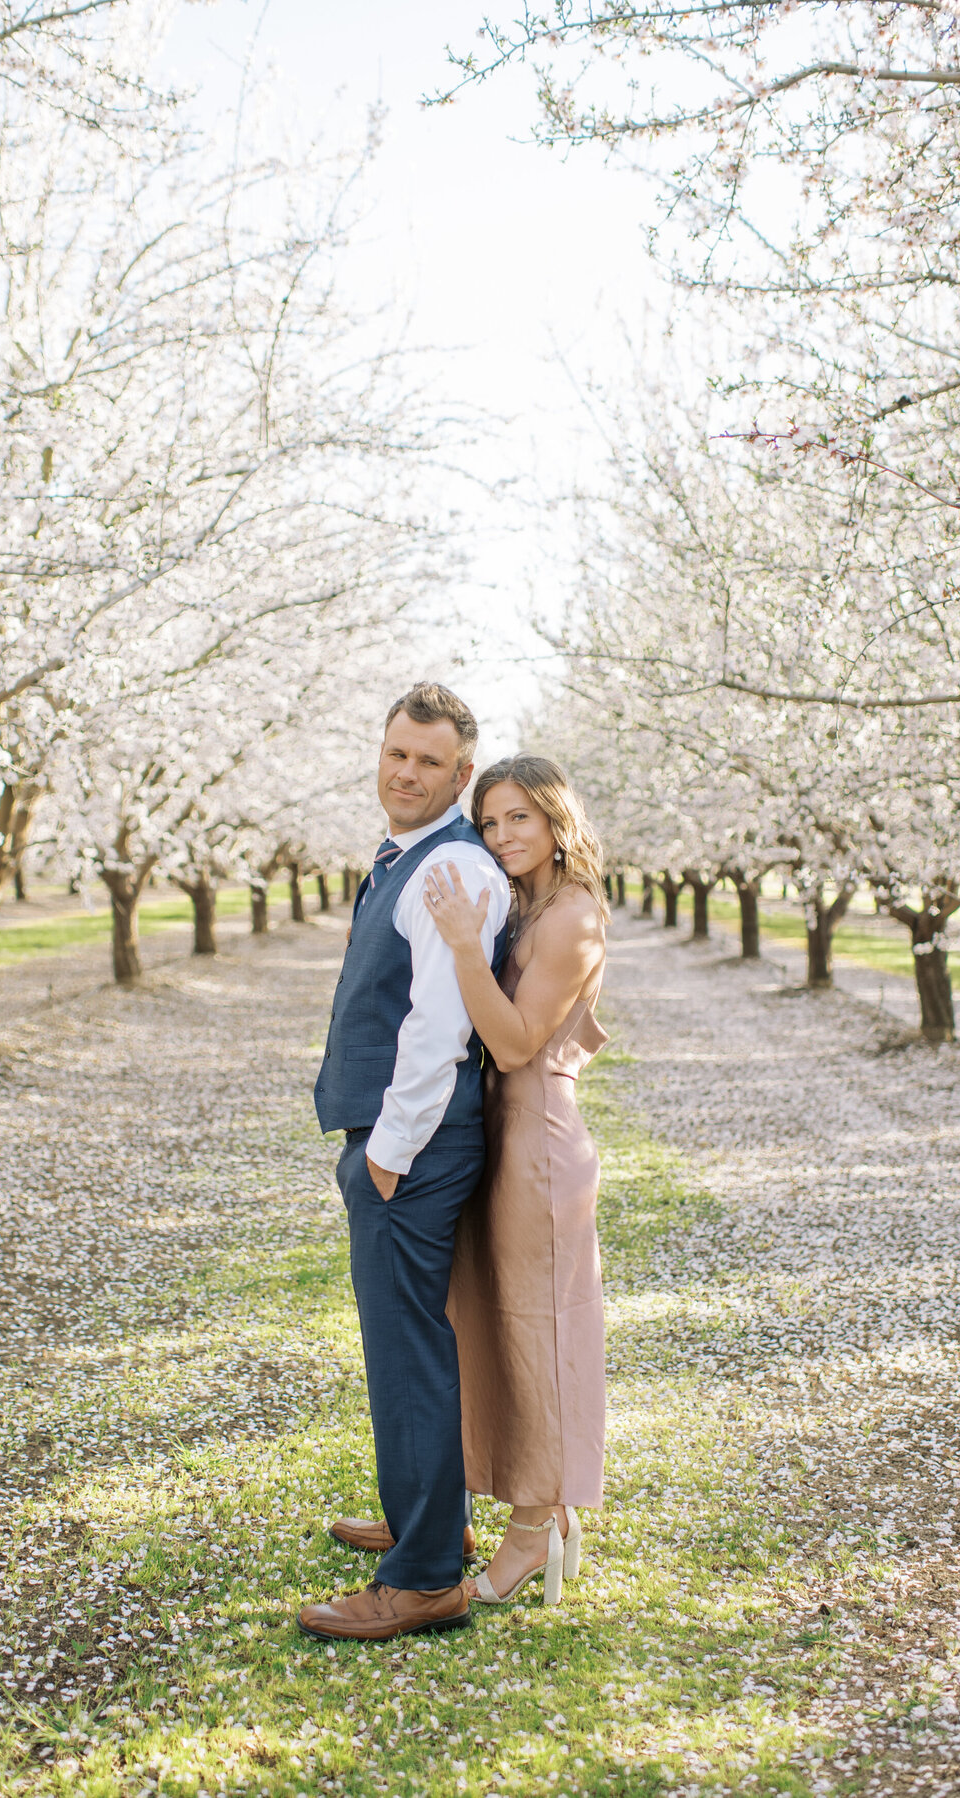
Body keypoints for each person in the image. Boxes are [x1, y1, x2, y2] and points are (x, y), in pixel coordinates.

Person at [299, 683, 510, 1644]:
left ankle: (424, 1576)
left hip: (410, 1148)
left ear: (461, 776)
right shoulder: (407, 857)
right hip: (399, 1143)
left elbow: (437, 1027)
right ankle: (429, 1517)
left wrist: (384, 1155)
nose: (406, 772)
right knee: (406, 1345)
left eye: (429, 762)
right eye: (396, 753)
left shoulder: (454, 869)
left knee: (405, 1350)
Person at [422, 754, 609, 1606]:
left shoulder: (572, 918)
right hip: (502, 1136)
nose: (500, 838)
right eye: (489, 822)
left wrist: (464, 947)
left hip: (537, 1143)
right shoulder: (528, 904)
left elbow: (515, 1043)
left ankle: (533, 1530)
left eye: (517, 820)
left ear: (554, 818)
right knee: (498, 1328)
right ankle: (539, 1512)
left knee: (541, 1335)